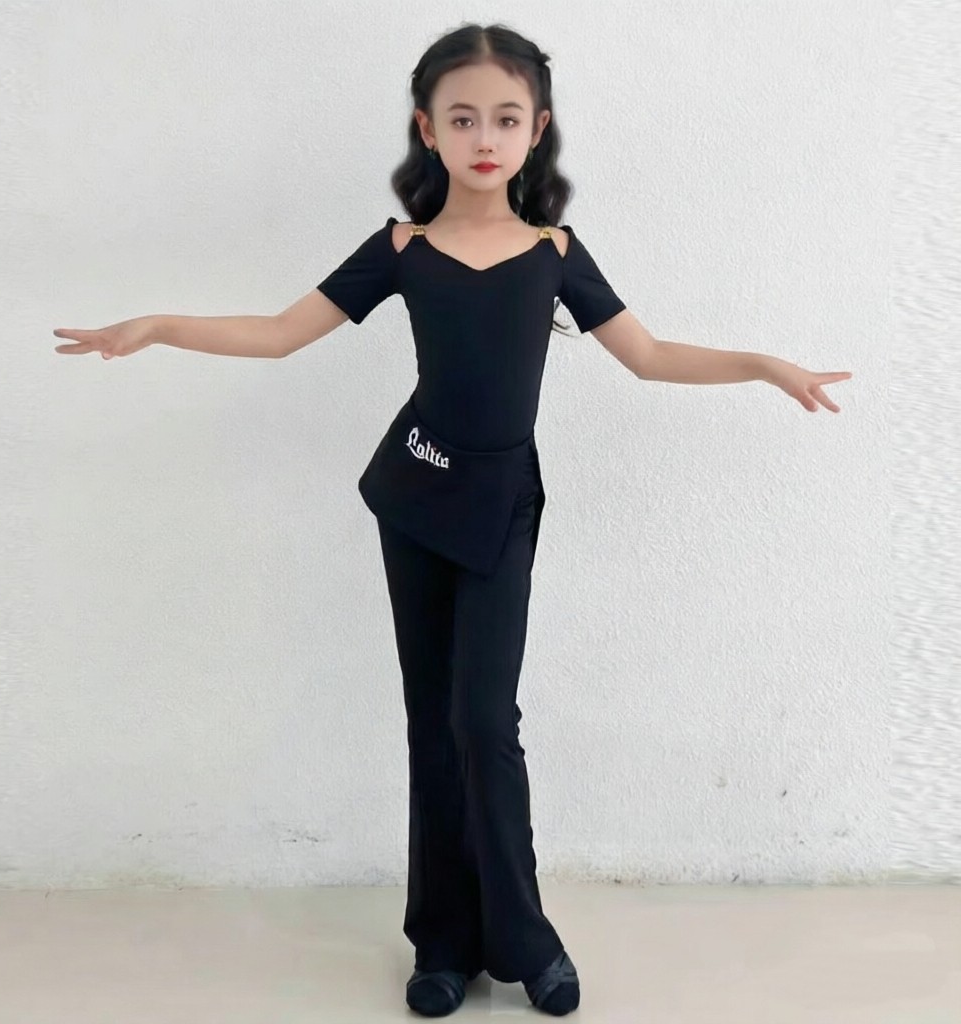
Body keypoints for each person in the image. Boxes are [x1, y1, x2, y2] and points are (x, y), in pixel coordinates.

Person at [52, 21, 852, 1019]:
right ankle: (440, 942)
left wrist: (764, 365)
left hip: (502, 503)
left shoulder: (555, 253)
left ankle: (526, 939)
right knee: (433, 722)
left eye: (505, 118)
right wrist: (159, 326)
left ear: (537, 130)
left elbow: (648, 357)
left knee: (485, 720)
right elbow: (280, 332)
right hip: (415, 494)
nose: (485, 136)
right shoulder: (401, 248)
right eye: (462, 117)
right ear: (426, 129)